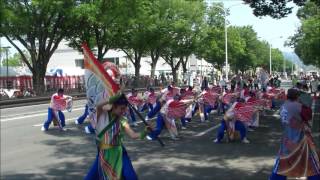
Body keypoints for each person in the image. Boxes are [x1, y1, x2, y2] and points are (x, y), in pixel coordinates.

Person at [85, 93, 150, 180]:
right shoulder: (103, 115)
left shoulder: (122, 120)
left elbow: (133, 135)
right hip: (104, 153)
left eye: (125, 108)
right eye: (121, 108)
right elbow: (98, 106)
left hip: (120, 152)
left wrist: (144, 132)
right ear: (114, 106)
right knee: (90, 178)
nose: (123, 111)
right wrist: (110, 100)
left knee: (131, 177)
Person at [269, 88, 320, 180]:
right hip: (299, 139)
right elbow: (308, 115)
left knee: (283, 163)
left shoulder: (284, 105)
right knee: (312, 162)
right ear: (297, 96)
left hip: (287, 137)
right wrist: (302, 102)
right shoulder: (298, 106)